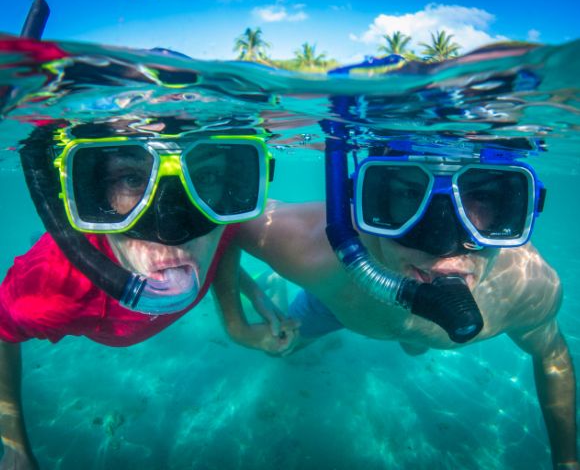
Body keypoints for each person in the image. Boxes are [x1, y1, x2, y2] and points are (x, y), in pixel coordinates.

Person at [213, 136, 578, 469]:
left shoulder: (527, 289)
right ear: (362, 202)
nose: (440, 243)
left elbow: (552, 356)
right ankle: (278, 285)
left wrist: (567, 461)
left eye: (481, 198)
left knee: (415, 347)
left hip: (381, 315)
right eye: (406, 195)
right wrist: (239, 318)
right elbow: (223, 221)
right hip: (336, 298)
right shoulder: (311, 250)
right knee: (280, 350)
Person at [0, 119, 294, 469]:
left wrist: (241, 317)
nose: (171, 230)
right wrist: (15, 447)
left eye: (207, 176)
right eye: (130, 179)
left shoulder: (217, 211)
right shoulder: (52, 289)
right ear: (90, 188)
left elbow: (224, 242)